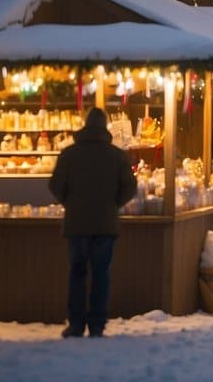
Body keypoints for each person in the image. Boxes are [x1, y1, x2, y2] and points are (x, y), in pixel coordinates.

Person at [48, 109, 137, 338]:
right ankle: (97, 324)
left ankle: (76, 323)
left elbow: (56, 185)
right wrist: (114, 204)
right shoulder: (116, 156)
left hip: (76, 224)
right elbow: (130, 187)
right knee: (101, 274)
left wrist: (70, 202)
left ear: (85, 126)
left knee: (77, 273)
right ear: (105, 128)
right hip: (105, 225)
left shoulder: (69, 154)